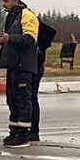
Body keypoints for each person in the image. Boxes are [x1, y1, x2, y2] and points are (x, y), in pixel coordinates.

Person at [0, 0, 39, 148]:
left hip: (23, 66)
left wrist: (9, 38)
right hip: (13, 66)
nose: (4, 5)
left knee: (22, 100)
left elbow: (30, 39)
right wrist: (3, 39)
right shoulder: (11, 16)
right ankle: (14, 131)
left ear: (15, 0)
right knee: (11, 99)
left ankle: (23, 135)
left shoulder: (27, 15)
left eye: (6, 1)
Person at [29, 16, 58, 144]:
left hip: (35, 64)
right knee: (27, 98)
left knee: (31, 98)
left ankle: (33, 131)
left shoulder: (30, 19)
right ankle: (28, 130)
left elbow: (51, 31)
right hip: (28, 64)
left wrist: (41, 47)